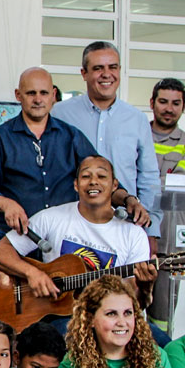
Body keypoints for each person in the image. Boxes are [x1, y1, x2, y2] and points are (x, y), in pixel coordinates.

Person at [0, 156, 166, 344]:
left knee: (165, 347)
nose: (93, 182)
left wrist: (146, 286)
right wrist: (32, 273)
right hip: (62, 318)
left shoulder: (133, 234)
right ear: (76, 184)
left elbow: (136, 304)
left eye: (101, 176)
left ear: (115, 185)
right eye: (86, 176)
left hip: (112, 319)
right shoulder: (53, 217)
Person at [0, 67, 144, 255]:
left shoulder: (71, 136)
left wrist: (128, 200)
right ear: (18, 95)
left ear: (53, 95)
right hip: (12, 238)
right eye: (31, 93)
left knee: (58, 286)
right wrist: (6, 204)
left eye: (44, 93)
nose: (38, 99)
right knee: (2, 286)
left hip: (62, 239)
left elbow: (100, 179)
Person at [54, 42, 162, 242]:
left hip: (124, 227)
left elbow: (148, 178)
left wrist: (151, 229)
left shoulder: (136, 119)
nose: (107, 74)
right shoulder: (60, 114)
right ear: (84, 73)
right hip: (71, 227)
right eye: (98, 68)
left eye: (113, 67)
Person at [149, 78, 185, 182]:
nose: (169, 109)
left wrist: (142, 183)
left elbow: (179, 184)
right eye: (163, 102)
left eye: (176, 103)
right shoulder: (134, 137)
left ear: (183, 107)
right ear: (152, 103)